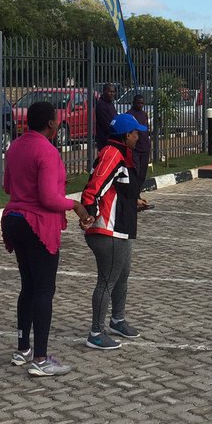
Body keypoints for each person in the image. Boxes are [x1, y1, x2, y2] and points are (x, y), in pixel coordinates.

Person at [1, 100, 90, 377]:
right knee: (43, 290)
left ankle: (23, 349)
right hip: (37, 224)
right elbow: (49, 198)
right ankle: (41, 358)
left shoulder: (15, 147)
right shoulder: (47, 151)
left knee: (28, 286)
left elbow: (7, 186)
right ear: (51, 123)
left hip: (14, 219)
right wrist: (75, 205)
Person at [81, 111, 149, 350]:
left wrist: (134, 203)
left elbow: (117, 189)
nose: (138, 137)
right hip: (106, 230)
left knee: (122, 274)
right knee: (107, 280)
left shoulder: (122, 155)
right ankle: (95, 333)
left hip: (121, 228)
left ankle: (117, 319)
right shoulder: (112, 154)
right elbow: (94, 189)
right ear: (125, 135)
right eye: (135, 133)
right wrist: (89, 213)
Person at [129, 92, 151, 190]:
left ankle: (137, 193)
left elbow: (146, 130)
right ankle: (134, 194)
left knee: (142, 174)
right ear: (134, 103)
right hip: (135, 149)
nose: (140, 105)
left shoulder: (144, 114)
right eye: (138, 103)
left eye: (142, 103)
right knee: (136, 172)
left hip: (145, 147)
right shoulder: (130, 115)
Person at [94, 82, 118, 153]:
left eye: (113, 92)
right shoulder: (101, 105)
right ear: (104, 91)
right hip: (105, 140)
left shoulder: (110, 104)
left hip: (112, 139)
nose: (112, 94)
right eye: (110, 91)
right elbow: (106, 124)